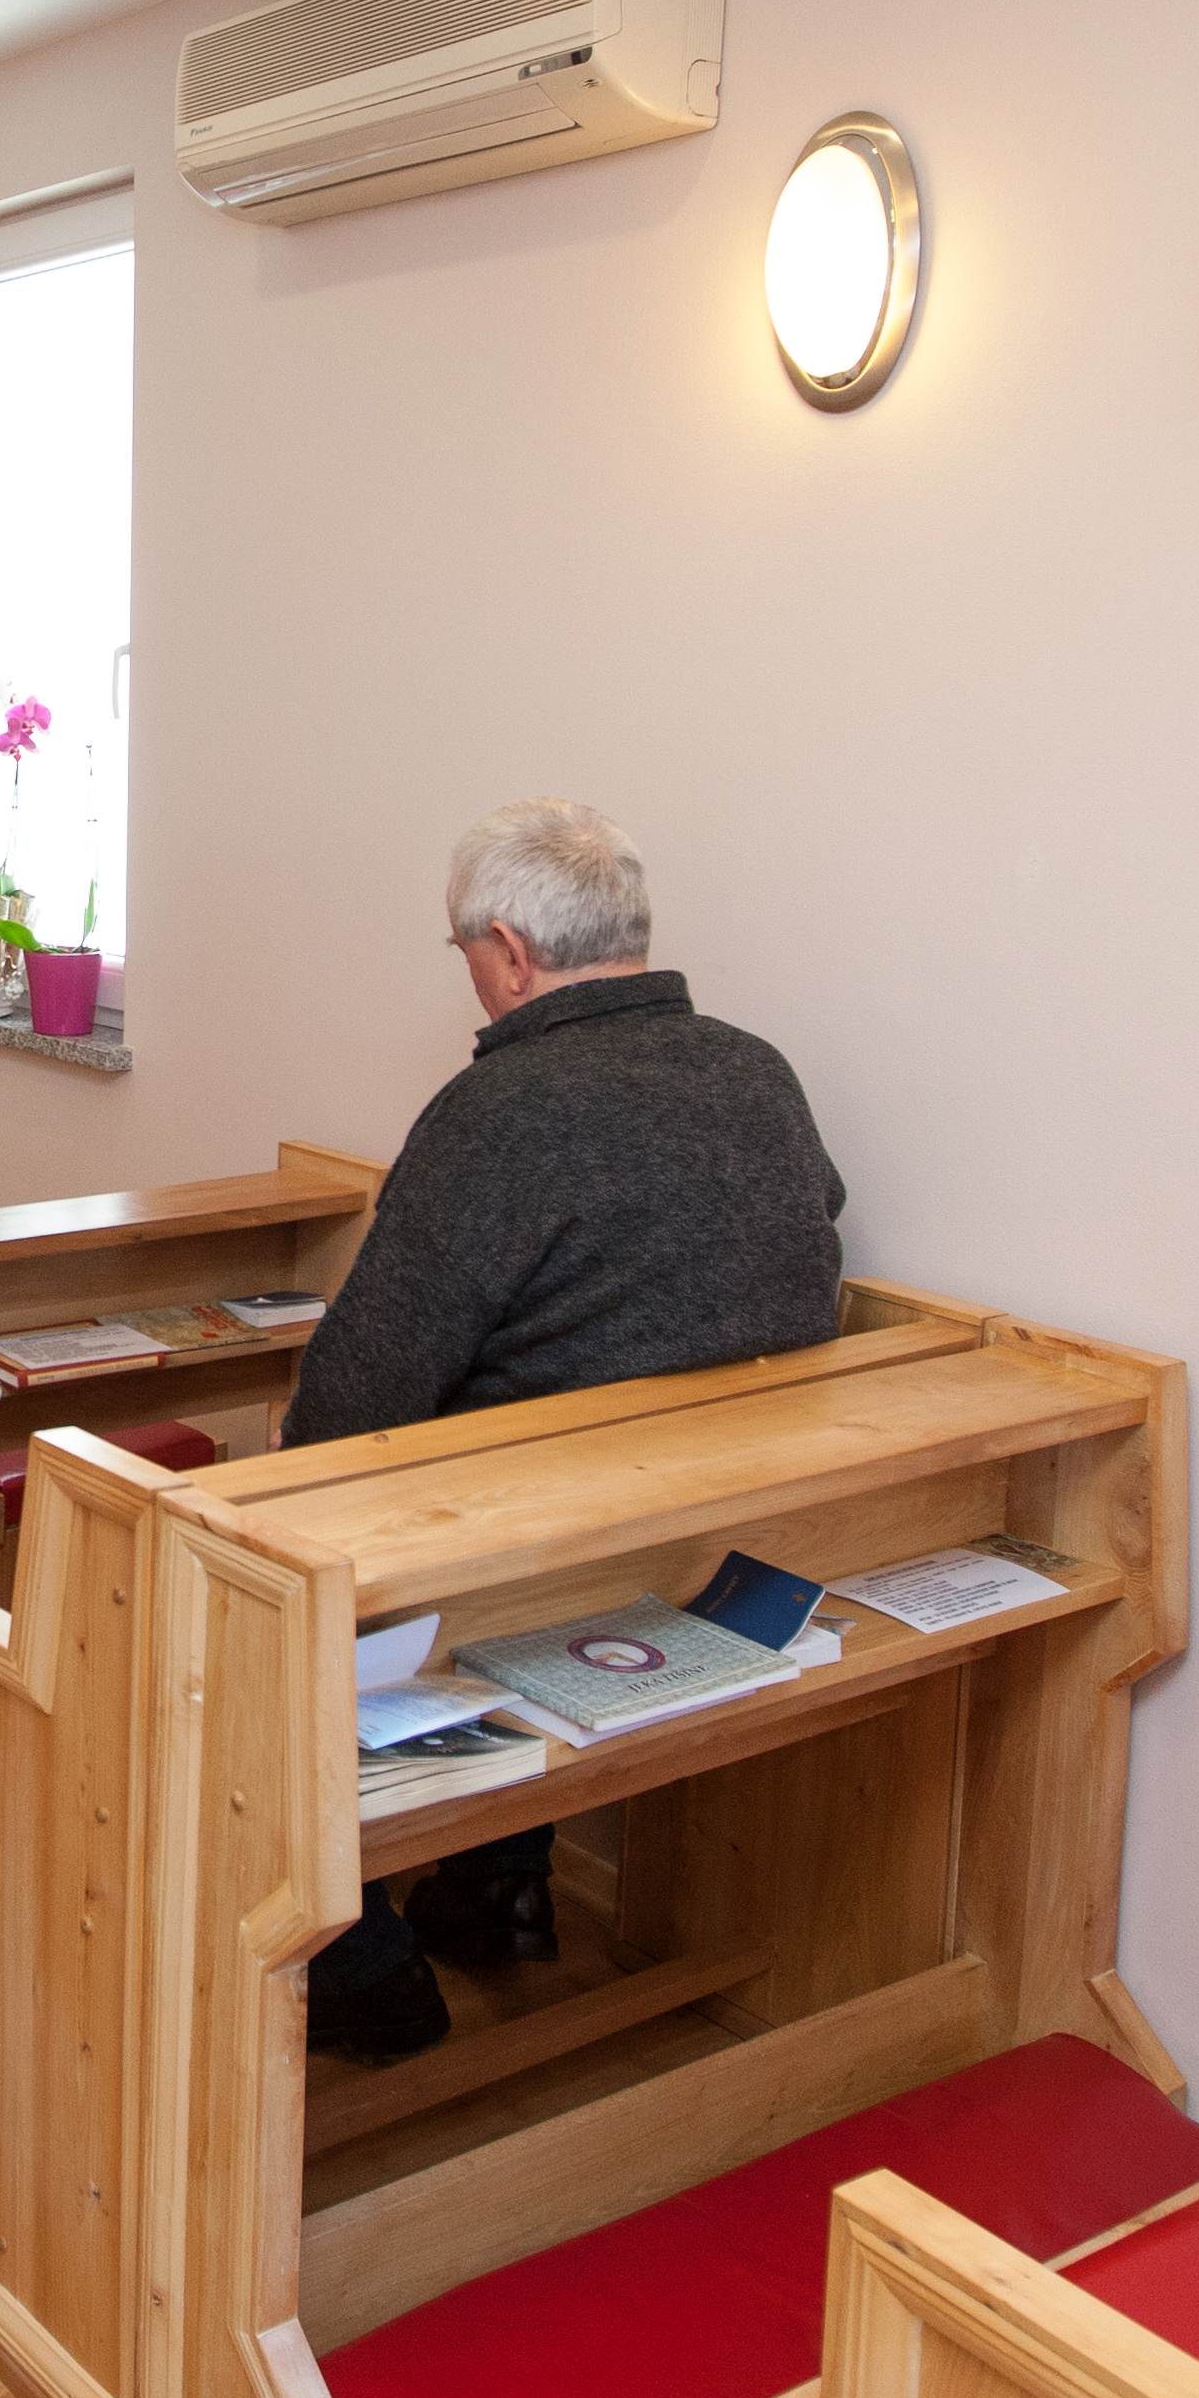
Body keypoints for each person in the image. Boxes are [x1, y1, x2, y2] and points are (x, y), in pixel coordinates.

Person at [286, 800, 849, 2058]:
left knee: (276, 1584)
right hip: (734, 1537)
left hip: (522, 1557)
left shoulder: (498, 1113)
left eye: (464, 958)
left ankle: (362, 1959)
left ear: (508, 950)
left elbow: (359, 1391)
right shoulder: (759, 1071)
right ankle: (500, 1885)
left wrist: (266, 1502)